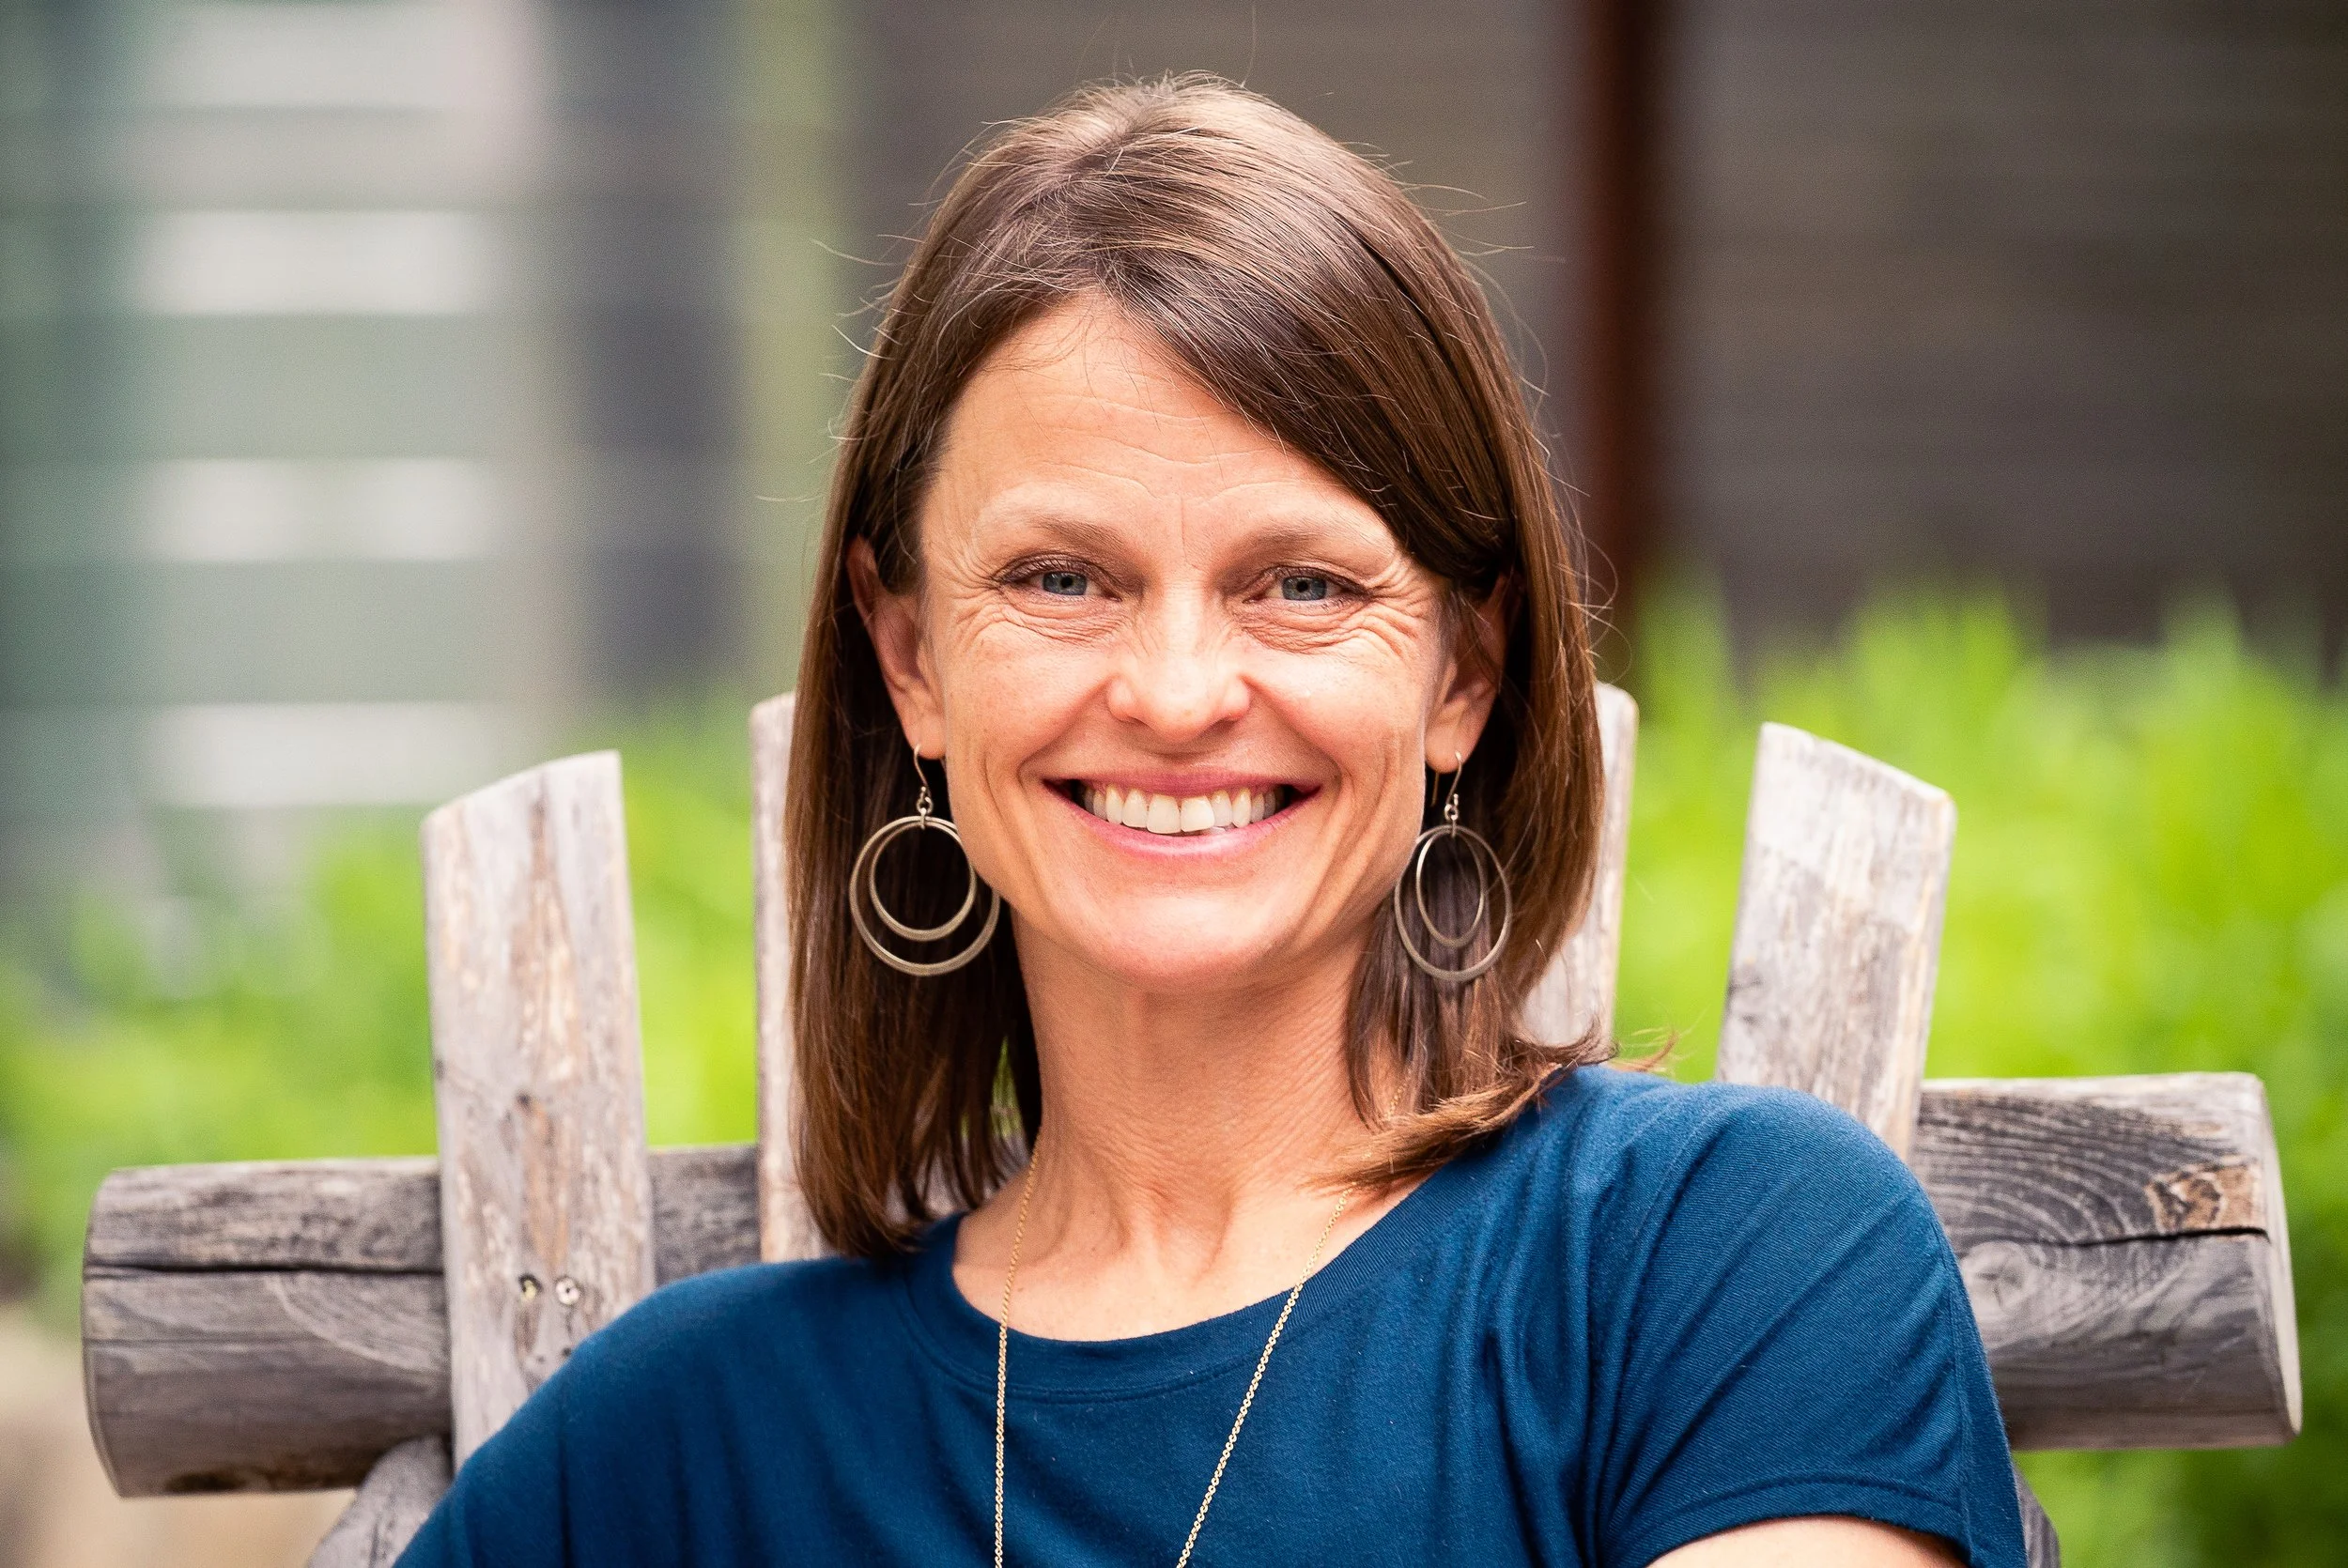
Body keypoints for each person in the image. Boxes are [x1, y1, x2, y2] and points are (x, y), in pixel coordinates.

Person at [396, 76, 2026, 1568]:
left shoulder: (1724, 1264)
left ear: (1464, 670)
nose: (1178, 691)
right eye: (1060, 577)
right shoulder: (682, 1447)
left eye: (1302, 584)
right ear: (914, 662)